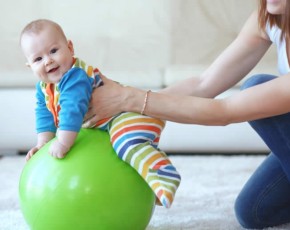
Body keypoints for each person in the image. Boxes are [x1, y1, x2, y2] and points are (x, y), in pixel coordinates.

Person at [83, 0, 290, 228]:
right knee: (254, 210)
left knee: (255, 85)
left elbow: (225, 111)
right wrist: (122, 107)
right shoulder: (269, 17)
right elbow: (204, 84)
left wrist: (128, 97)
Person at [19, 19, 181, 209]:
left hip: (127, 114)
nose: (48, 61)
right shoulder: (44, 87)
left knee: (126, 144)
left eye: (54, 51)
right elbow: (44, 113)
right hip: (108, 123)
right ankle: (146, 183)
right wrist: (43, 143)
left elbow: (72, 110)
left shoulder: (75, 76)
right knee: (124, 150)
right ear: (30, 66)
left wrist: (63, 142)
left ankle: (164, 175)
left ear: (70, 48)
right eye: (38, 59)